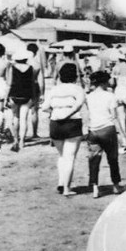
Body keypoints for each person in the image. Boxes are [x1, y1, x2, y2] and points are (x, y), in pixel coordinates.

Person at [42, 63, 86, 196]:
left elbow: (44, 107)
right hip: (72, 122)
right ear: (75, 76)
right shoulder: (78, 89)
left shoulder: (54, 89)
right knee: (70, 157)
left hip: (55, 123)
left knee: (62, 156)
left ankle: (61, 183)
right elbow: (79, 105)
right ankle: (67, 188)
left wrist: (56, 113)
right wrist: (67, 113)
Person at [86, 71, 126, 198]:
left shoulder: (89, 96)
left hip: (93, 130)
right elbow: (114, 117)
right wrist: (123, 136)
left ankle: (95, 188)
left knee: (94, 160)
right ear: (104, 82)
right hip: (107, 129)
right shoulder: (110, 96)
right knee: (112, 159)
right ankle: (116, 185)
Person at [7, 50, 37, 152]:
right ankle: (22, 142)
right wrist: (34, 97)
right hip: (26, 95)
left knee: (15, 118)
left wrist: (6, 96)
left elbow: (9, 83)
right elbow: (32, 83)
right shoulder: (31, 68)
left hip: (14, 94)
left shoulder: (12, 68)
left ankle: (15, 139)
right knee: (24, 119)